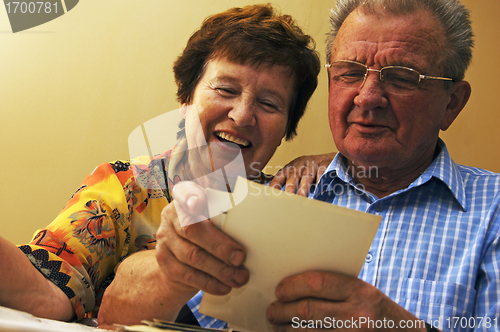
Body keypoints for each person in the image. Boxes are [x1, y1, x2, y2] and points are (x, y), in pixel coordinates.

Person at [157, 0, 500, 331]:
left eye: (401, 77)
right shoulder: (275, 197)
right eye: (351, 73)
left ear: (452, 104)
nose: (367, 97)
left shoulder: (492, 209)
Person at [0, 3, 320, 325]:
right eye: (225, 89)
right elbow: (48, 290)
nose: (242, 115)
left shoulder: (296, 201)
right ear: (186, 99)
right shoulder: (127, 187)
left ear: (286, 129)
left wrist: (338, 159)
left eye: (268, 103)